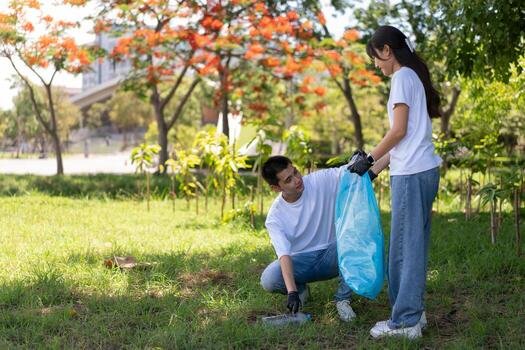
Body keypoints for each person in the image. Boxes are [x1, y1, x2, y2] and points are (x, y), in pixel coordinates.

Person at [348, 25, 442, 339]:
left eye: (375, 58)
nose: (376, 65)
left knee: (404, 250)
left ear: (386, 50)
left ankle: (405, 322)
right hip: (422, 170)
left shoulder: (401, 77)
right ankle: (415, 313)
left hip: (412, 176)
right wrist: (372, 170)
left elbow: (398, 132)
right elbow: (408, 139)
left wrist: (369, 157)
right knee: (413, 246)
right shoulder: (413, 77)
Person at [259, 155, 384, 321]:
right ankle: (301, 290)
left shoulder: (319, 180)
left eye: (295, 172)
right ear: (276, 188)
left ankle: (342, 299)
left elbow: (360, 171)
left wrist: (392, 149)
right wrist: (292, 292)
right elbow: (284, 256)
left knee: (356, 239)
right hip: (303, 261)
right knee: (269, 278)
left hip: (334, 254)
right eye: (289, 180)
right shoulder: (275, 217)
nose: (297, 180)